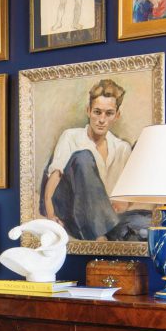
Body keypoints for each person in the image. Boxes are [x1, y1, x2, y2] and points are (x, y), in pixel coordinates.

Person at [40, 78, 150, 241]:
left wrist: (119, 206)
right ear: (88, 111)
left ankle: (108, 230)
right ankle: (100, 235)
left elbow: (125, 198)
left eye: (109, 113)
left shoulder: (122, 148)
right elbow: (55, 179)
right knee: (83, 157)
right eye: (97, 112)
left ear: (117, 115)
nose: (102, 119)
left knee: (147, 223)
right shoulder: (71, 136)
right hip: (71, 211)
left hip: (104, 216)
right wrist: (51, 216)